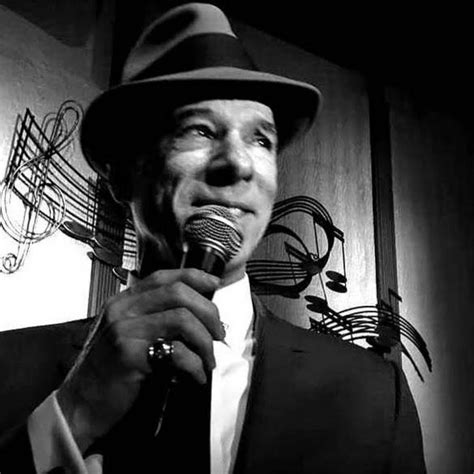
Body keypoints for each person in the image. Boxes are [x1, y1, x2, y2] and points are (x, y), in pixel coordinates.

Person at [0, 3, 426, 473]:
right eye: (200, 130)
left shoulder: (372, 395)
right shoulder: (9, 369)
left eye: (261, 140)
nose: (238, 163)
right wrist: (74, 412)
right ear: (122, 174)